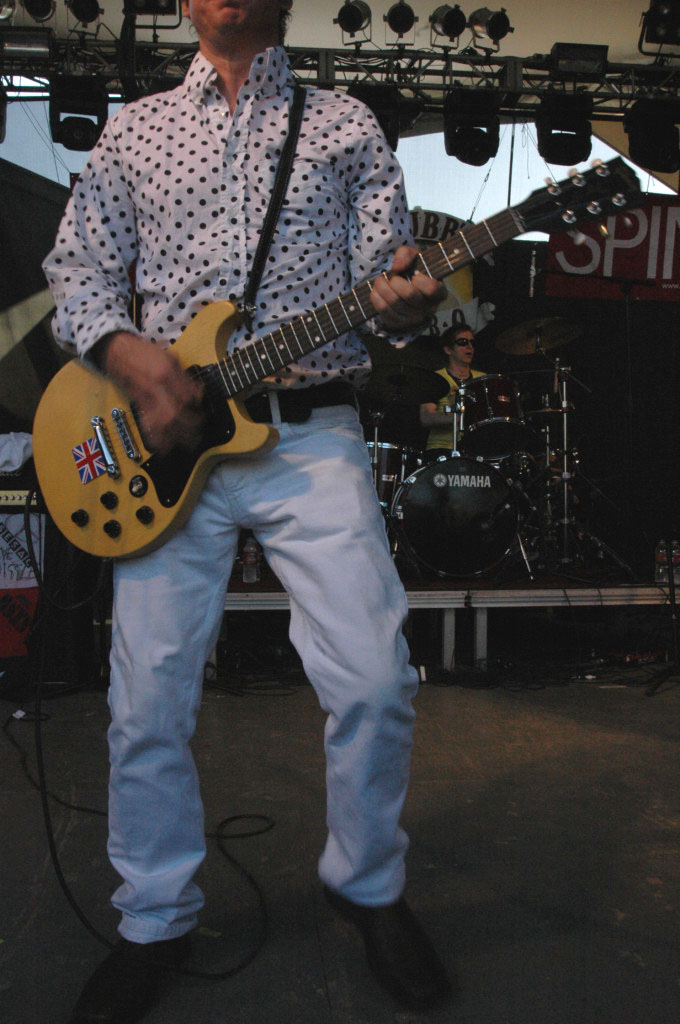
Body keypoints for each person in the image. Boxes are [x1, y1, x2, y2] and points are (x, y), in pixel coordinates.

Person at [42, 1, 452, 1022]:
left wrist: (408, 304)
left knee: (375, 679)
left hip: (309, 433)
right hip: (164, 444)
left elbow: (389, 286)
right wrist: (133, 358)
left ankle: (367, 885)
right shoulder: (133, 129)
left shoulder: (346, 123)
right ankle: (154, 915)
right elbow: (77, 272)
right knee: (147, 701)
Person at [418, 322, 486, 459]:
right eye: (463, 342)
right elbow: (426, 417)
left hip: (477, 448)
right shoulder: (435, 378)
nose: (469, 346)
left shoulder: (483, 378)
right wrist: (459, 418)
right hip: (441, 449)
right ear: (448, 350)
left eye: (472, 342)